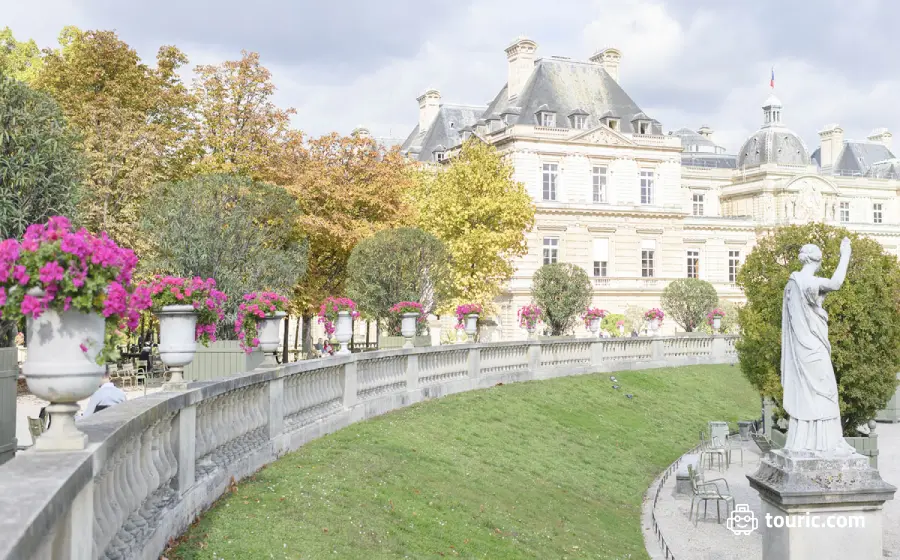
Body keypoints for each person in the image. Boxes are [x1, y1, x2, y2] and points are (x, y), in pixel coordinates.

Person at [780, 238, 855, 454]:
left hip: (801, 348)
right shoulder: (808, 282)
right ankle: (827, 443)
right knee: (827, 390)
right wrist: (845, 255)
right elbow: (836, 283)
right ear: (818, 261)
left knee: (808, 392)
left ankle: (805, 441)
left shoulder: (791, 284)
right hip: (813, 347)